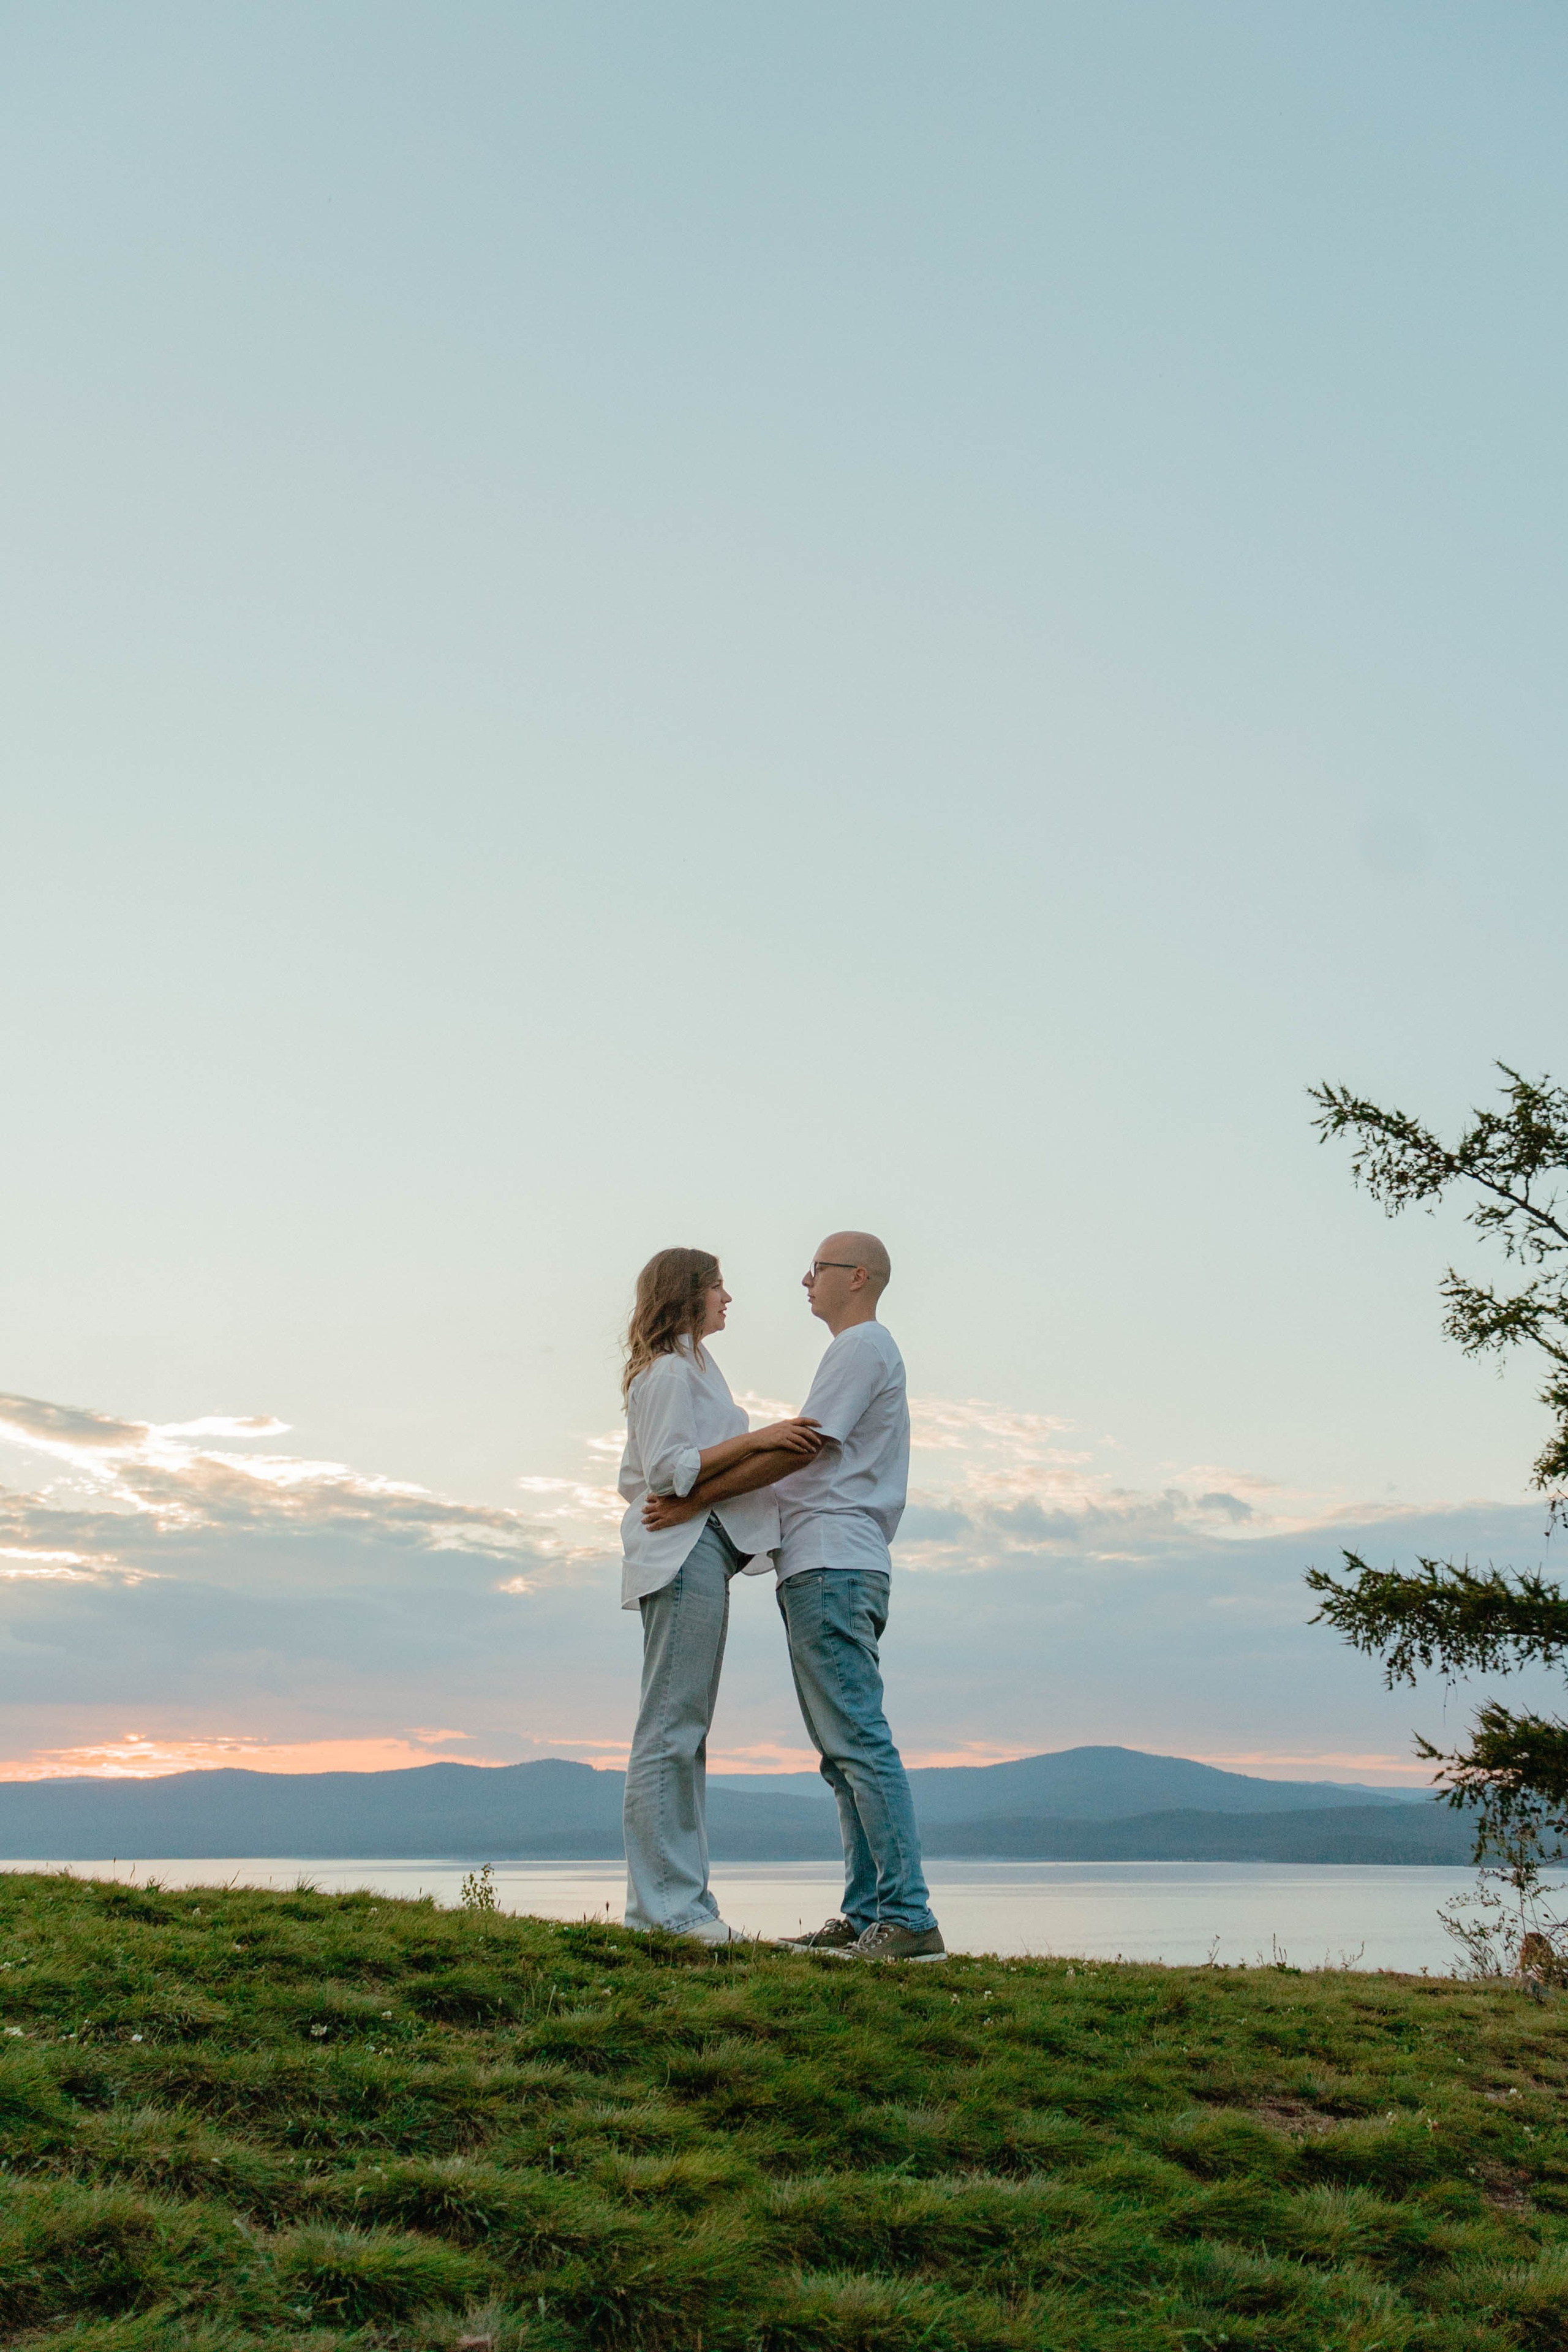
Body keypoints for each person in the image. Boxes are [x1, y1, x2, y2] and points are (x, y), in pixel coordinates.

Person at [645, 1232, 943, 1962]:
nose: (804, 1281)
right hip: (825, 1565)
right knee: (840, 1752)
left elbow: (798, 1447)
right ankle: (866, 1910)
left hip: (833, 1564)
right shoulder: (857, 1350)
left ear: (857, 1276)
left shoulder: (861, 1346)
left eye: (817, 1270)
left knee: (857, 1743)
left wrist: (693, 1497)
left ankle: (907, 1917)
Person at [617, 1245, 822, 1943]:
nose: (727, 1299)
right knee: (669, 1731)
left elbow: (668, 1476)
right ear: (687, 1294)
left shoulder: (694, 1367)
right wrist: (761, 1436)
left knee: (684, 1731)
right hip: (680, 1552)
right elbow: (667, 1473)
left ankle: (685, 1906)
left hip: (700, 1548)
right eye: (717, 1287)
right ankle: (665, 1912)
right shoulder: (671, 1371)